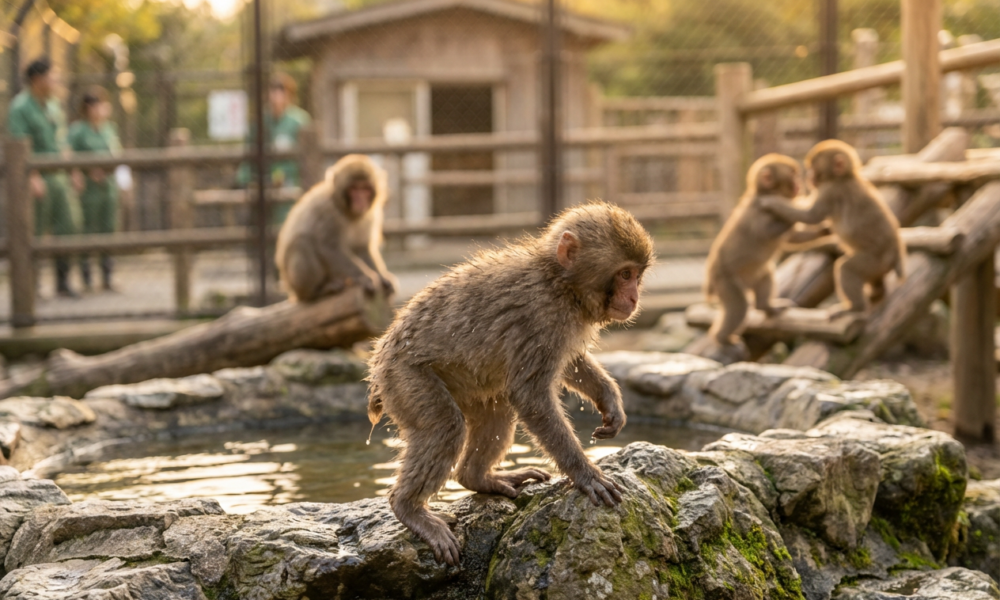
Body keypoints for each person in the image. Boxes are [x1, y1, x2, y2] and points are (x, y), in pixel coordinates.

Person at [7, 57, 79, 297]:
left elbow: (62, 141)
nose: (56, 80)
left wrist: (73, 170)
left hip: (59, 176)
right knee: (34, 231)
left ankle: (63, 280)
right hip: (36, 177)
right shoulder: (20, 107)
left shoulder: (54, 105)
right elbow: (17, 143)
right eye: (52, 75)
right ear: (37, 79)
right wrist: (32, 177)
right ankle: (31, 285)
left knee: (68, 226)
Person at [237, 72, 312, 224]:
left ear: (290, 94)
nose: (277, 96)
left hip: (292, 182)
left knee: (288, 221)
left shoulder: (299, 121)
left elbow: (308, 157)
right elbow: (249, 150)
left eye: (281, 91)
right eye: (273, 90)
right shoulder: (260, 121)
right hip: (263, 181)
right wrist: (244, 178)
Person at [68, 86, 121, 292]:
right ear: (88, 108)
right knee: (87, 230)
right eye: (96, 105)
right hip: (88, 190)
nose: (101, 109)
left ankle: (107, 276)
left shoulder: (110, 129)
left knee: (109, 228)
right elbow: (69, 154)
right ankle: (86, 277)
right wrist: (81, 172)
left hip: (108, 187)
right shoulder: (78, 130)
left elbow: (117, 154)